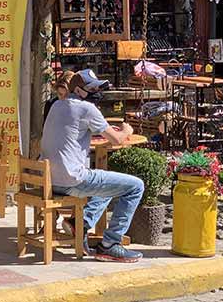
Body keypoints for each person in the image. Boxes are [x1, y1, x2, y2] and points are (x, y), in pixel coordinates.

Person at [40, 69, 145, 263]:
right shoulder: (87, 109)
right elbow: (116, 140)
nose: (97, 93)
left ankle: (80, 223)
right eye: (93, 89)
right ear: (80, 91)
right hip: (71, 179)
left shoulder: (56, 105)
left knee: (105, 184)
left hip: (49, 180)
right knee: (135, 186)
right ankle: (111, 244)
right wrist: (126, 129)